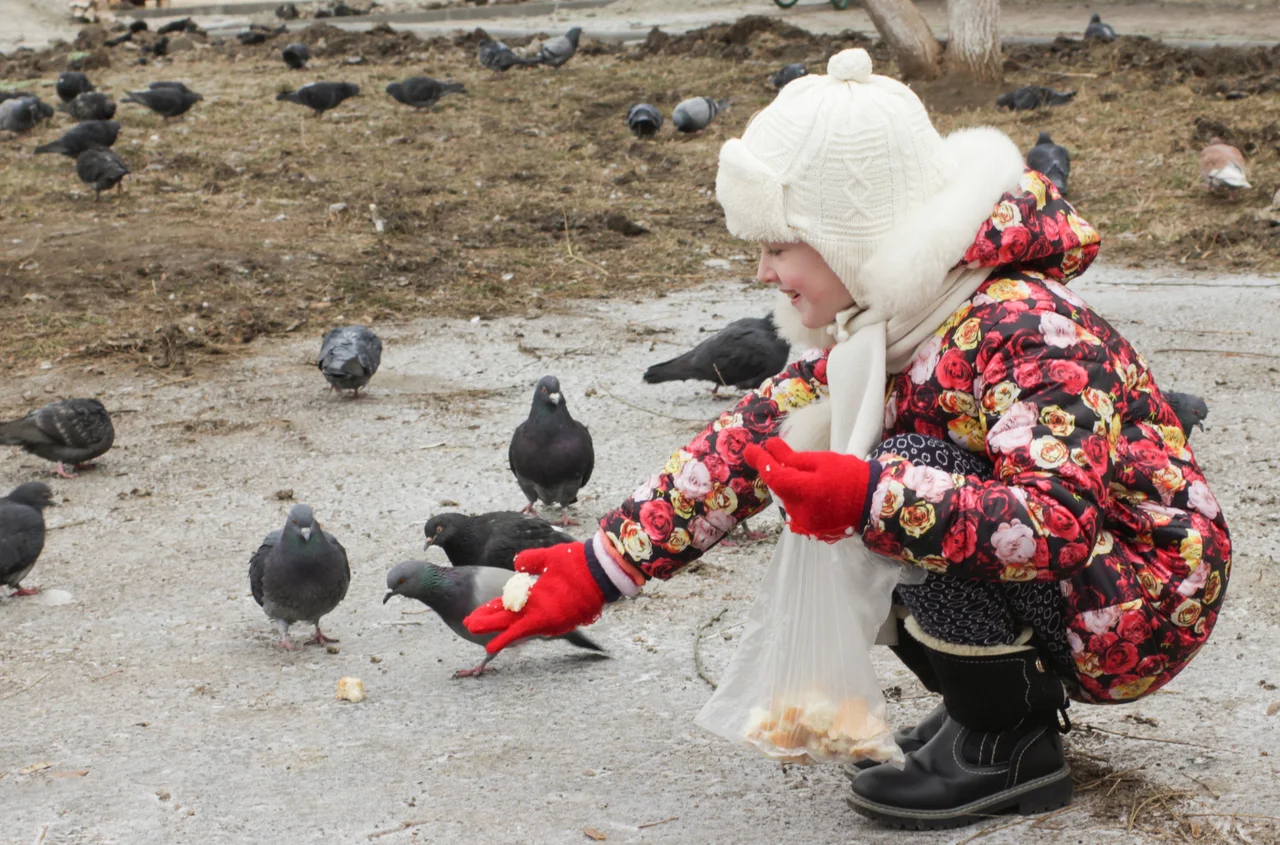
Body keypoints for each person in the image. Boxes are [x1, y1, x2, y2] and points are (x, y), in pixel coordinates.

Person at [465, 48, 1231, 829]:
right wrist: (600, 567)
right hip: (1077, 581)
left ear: (852, 235)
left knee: (895, 477)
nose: (763, 270)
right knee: (872, 479)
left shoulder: (1024, 326)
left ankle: (1005, 736)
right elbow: (746, 444)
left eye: (776, 245)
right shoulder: (889, 328)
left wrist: (870, 495)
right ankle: (998, 704)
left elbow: (1052, 524)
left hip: (1142, 596)